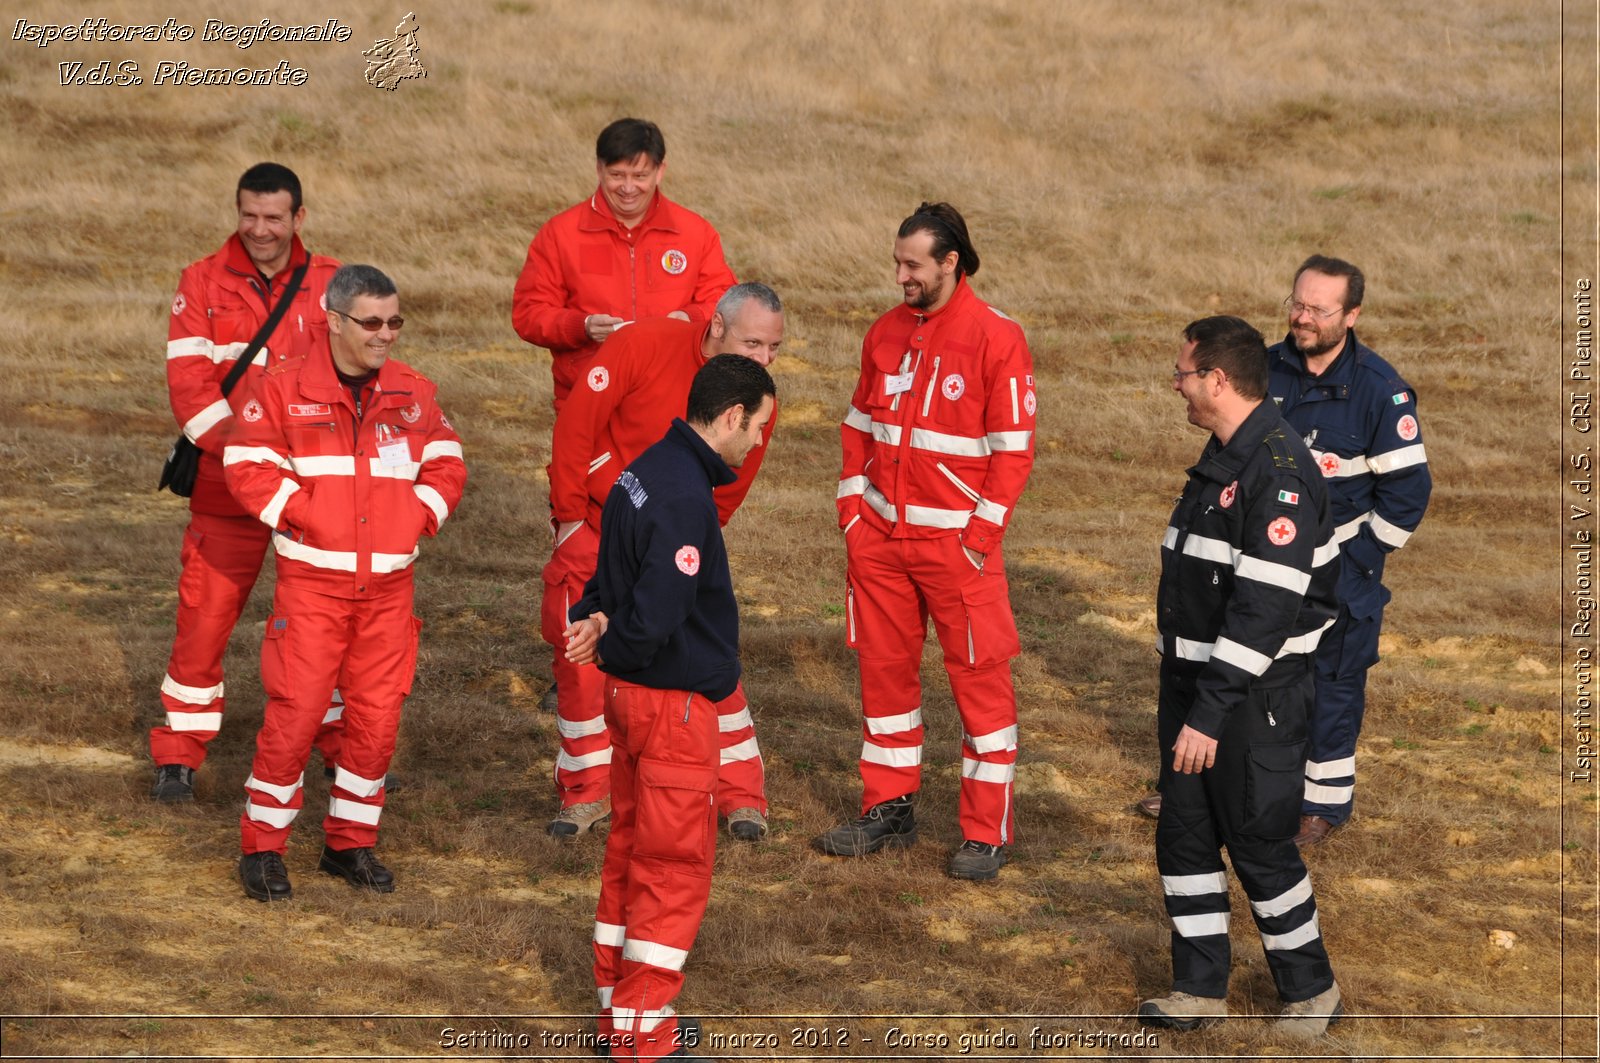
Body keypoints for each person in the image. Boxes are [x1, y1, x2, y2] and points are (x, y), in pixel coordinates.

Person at [223, 265, 466, 902]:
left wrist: (419, 517)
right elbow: (246, 466)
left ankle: (349, 845)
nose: (386, 335)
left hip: (389, 595)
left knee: (376, 723)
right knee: (295, 719)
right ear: (333, 320)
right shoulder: (279, 389)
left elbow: (447, 462)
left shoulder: (414, 392)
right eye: (372, 323)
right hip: (312, 591)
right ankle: (263, 848)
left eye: (394, 322)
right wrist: (309, 518)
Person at [563, 355, 777, 1062]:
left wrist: (594, 617)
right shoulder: (688, 496)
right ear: (729, 416)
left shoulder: (644, 467)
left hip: (630, 703)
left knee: (629, 853)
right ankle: (645, 1038)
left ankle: (617, 1013)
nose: (753, 445)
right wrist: (617, 640)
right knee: (671, 868)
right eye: (755, 429)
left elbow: (610, 568)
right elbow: (657, 606)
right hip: (672, 708)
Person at [816, 203, 1036, 881]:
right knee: (884, 677)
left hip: (955, 552)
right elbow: (857, 426)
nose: (900, 274)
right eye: (897, 261)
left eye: (912, 263)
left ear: (951, 261)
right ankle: (889, 807)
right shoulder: (883, 332)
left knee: (981, 689)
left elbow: (1014, 450)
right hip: (879, 545)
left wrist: (977, 540)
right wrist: (853, 510)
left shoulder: (998, 338)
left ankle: (984, 831)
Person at [1138, 316, 1343, 1038]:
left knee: (1258, 841)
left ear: (1217, 381)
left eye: (1184, 372)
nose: (1177, 383)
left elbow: (1261, 614)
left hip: (1250, 699)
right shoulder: (1227, 451)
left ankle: (1310, 988)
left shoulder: (1279, 475)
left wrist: (1208, 713)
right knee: (1187, 839)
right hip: (1194, 687)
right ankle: (1198, 988)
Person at [542, 284, 784, 840]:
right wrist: (570, 518)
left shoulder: (755, 396)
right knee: (580, 658)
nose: (764, 359)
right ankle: (587, 791)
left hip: (680, 538)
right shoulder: (646, 342)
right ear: (718, 326)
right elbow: (578, 423)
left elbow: (731, 482)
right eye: (753, 342)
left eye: (773, 348)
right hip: (599, 524)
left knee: (708, 654)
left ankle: (741, 794)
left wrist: (699, 537)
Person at [151, 162, 343, 803]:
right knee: (204, 620)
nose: (259, 229)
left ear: (298, 218)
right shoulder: (200, 282)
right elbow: (191, 391)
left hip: (315, 492)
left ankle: (340, 749)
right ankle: (178, 753)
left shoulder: (335, 284)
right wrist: (253, 457)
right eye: (249, 215)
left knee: (325, 623)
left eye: (273, 217)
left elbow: (353, 376)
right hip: (228, 487)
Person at [1268, 255, 1431, 846]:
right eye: (1297, 302)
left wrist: (1359, 560)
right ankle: (1246, 785)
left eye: (1318, 309)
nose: (1302, 317)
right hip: (1267, 563)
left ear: (1352, 315)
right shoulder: (1265, 370)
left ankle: (1323, 805)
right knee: (1256, 674)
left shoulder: (1381, 393)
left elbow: (1409, 491)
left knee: (1333, 684)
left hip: (1344, 573)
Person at [511, 117, 738, 411]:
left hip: (677, 396)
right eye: (617, 175)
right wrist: (583, 326)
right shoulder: (560, 234)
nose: (628, 188)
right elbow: (529, 312)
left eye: (640, 175)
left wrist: (689, 318)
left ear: (660, 172)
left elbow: (726, 303)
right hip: (589, 397)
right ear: (599, 169)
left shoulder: (695, 233)